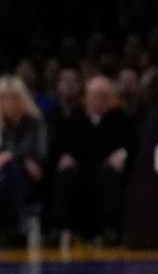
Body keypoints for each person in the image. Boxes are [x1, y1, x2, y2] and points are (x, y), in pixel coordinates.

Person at [52, 74, 134, 245]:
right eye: (95, 95)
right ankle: (59, 229)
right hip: (79, 166)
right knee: (66, 176)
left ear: (110, 98)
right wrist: (64, 156)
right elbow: (60, 145)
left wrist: (123, 153)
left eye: (104, 96)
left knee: (110, 178)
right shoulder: (75, 117)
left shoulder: (120, 119)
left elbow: (132, 145)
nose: (99, 100)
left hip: (106, 168)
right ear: (86, 98)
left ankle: (110, 229)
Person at [0, 75, 50, 246]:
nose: (9, 102)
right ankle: (20, 222)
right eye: (4, 98)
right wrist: (16, 158)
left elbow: (33, 150)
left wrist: (5, 156)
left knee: (12, 169)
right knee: (6, 173)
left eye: (13, 97)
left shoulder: (33, 121)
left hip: (29, 175)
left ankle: (10, 227)